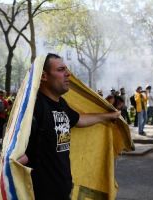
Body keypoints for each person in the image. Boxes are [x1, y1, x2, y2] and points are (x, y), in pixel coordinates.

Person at [17, 53, 120, 200]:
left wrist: (108, 116)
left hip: (63, 191)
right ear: (44, 76)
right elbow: (18, 156)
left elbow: (78, 120)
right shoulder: (35, 107)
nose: (68, 74)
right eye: (60, 70)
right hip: (41, 194)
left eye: (66, 69)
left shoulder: (61, 104)